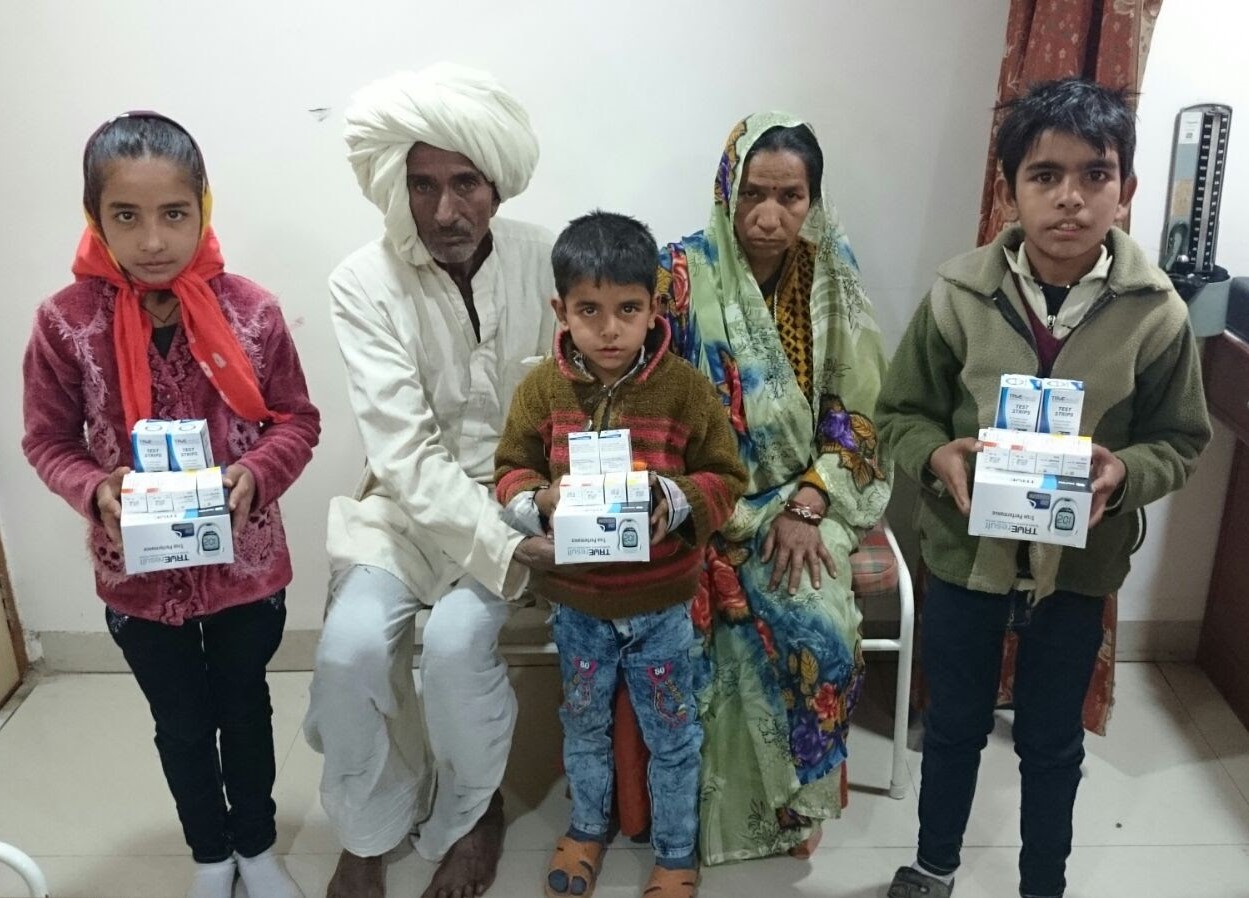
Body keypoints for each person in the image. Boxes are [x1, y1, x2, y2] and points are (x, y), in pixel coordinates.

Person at [876, 78, 1212, 898]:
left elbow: (1180, 440)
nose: (1070, 198)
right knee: (953, 725)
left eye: (1094, 175)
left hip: (1078, 569)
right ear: (1009, 190)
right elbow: (898, 414)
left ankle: (1042, 884)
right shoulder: (957, 295)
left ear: (1125, 190)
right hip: (965, 557)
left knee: (1052, 740)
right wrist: (935, 458)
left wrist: (1124, 472)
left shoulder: (1157, 313)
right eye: (1044, 175)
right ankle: (934, 864)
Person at [21, 112, 321, 898]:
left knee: (245, 709)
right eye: (126, 216)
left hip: (245, 570)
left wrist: (256, 473)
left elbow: (296, 419)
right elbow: (47, 439)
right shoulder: (66, 323)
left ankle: (256, 847)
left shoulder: (251, 311)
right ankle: (210, 856)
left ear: (203, 207)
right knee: (181, 724)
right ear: (96, 217)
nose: (153, 240)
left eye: (174, 213)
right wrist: (94, 487)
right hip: (138, 580)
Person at [301, 63, 559, 898]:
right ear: (396, 186)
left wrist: (537, 524)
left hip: (516, 502)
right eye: (422, 185)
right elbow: (404, 454)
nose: (445, 212)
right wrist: (505, 552)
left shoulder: (548, 261)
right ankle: (369, 828)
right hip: (404, 510)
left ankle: (474, 813)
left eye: (465, 183)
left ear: (497, 185)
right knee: (347, 651)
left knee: (452, 647)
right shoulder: (361, 282)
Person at [656, 113, 892, 864]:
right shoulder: (676, 276)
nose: (768, 215)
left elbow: (862, 413)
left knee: (817, 625)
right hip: (696, 497)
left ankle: (797, 802)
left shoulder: (831, 276)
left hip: (806, 495)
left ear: (812, 199)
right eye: (754, 193)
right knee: (682, 629)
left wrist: (809, 501)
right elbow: (640, 394)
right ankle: (699, 812)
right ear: (727, 190)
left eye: (790, 196)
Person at [494, 211, 747, 898]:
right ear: (561, 311)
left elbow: (727, 476)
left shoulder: (684, 389)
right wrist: (539, 500)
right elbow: (510, 469)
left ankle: (675, 852)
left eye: (627, 310)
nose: (609, 329)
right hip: (578, 606)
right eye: (589, 311)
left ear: (654, 307)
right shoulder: (542, 391)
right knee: (583, 724)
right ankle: (585, 829)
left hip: (661, 605)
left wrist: (676, 498)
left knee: (672, 732)